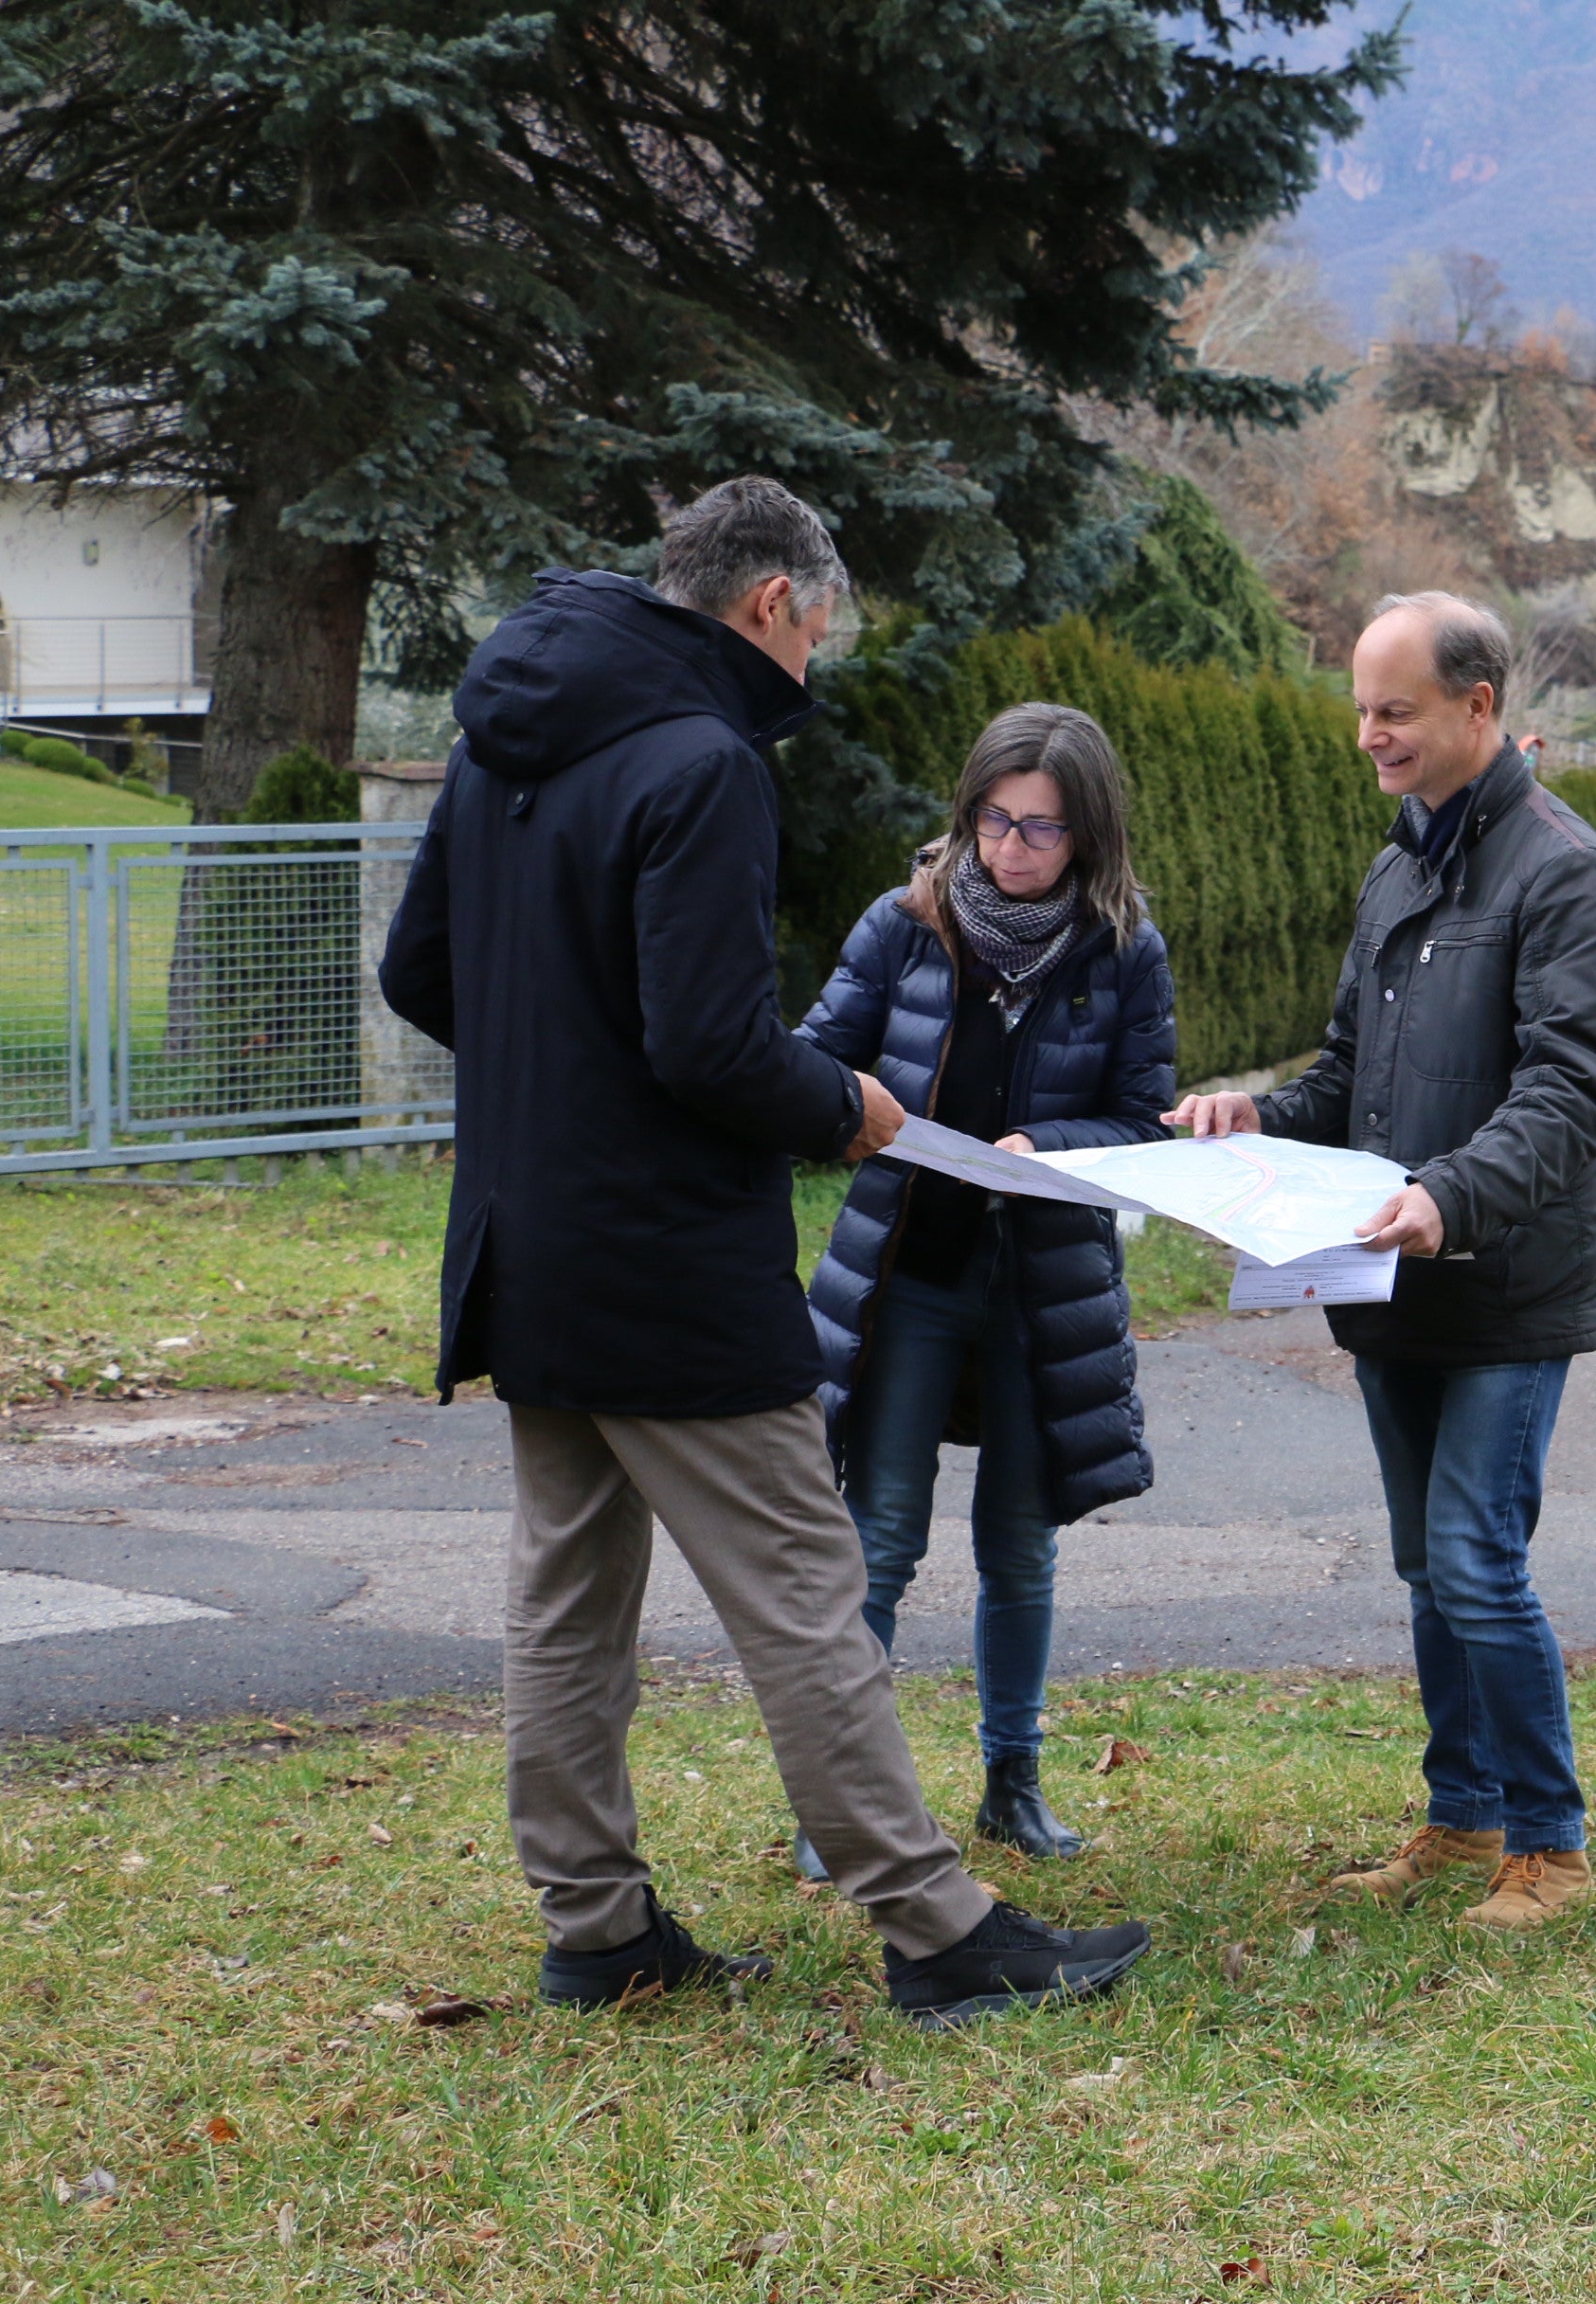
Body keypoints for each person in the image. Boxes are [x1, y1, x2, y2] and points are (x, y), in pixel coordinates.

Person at [379, 476, 1150, 2028]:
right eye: (820, 627)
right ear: (772, 601)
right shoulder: (704, 758)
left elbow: (419, 973)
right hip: (669, 1258)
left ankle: (597, 1928)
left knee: (566, 1591)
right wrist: (849, 1108)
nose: (815, 659)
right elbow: (715, 1046)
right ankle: (938, 1930)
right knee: (805, 1581)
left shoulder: (503, 733)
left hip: (525, 1240)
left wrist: (560, 1079)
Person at [1165, 591, 1596, 1931]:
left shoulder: (1566, 873)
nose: (1369, 735)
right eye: (1362, 711)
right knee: (1430, 1567)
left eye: (1396, 711)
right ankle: (1462, 1813)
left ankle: (1550, 1847)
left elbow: (1573, 1090)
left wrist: (1449, 1196)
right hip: (1390, 1278)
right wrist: (1258, 1114)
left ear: (1477, 707)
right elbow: (1348, 1076)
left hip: (1508, 1281)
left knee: (1477, 1559)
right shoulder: (1397, 868)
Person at [792, 703, 1176, 1875]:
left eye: (1042, 829)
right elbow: (811, 1062)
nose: (1012, 848)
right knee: (880, 1538)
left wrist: (1042, 1145)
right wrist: (843, 1108)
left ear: (1088, 834)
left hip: (1041, 1291)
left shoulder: (1124, 949)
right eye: (995, 820)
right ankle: (843, 1806)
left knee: (1021, 1546)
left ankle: (1014, 1781)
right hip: (909, 1274)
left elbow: (1144, 1120)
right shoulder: (903, 925)